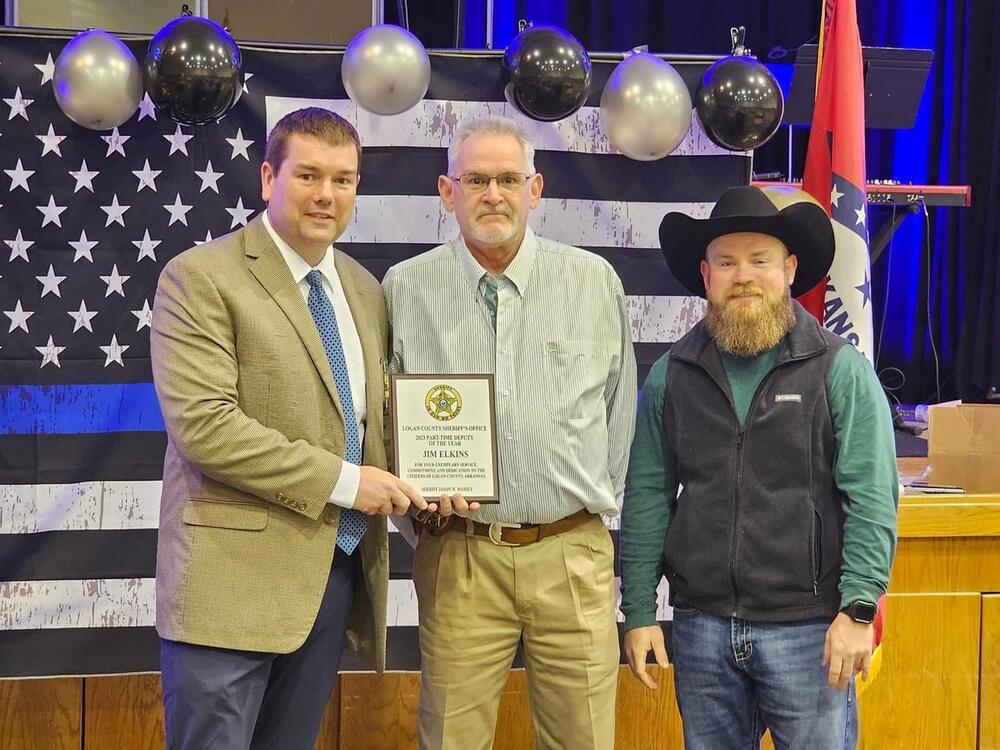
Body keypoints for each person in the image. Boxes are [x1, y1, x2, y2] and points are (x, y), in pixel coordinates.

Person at [150, 107, 428, 750]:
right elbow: (206, 428)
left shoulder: (362, 288)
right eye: (308, 175)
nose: (326, 195)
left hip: (331, 576)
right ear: (268, 178)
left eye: (344, 179)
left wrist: (431, 485)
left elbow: (368, 422)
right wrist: (348, 482)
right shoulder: (200, 277)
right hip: (230, 588)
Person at [382, 115, 637, 750]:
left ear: (535, 188)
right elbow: (385, 420)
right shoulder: (404, 288)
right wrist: (424, 514)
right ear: (447, 191)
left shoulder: (593, 281)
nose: (492, 193)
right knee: (451, 741)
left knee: (584, 740)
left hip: (572, 552)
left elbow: (618, 412)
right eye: (476, 179)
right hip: (461, 552)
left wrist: (585, 512)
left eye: (507, 178)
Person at [620, 185, 899, 749]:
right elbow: (647, 495)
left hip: (812, 632)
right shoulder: (672, 374)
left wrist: (859, 610)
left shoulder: (838, 371)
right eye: (727, 262)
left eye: (759, 260)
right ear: (706, 275)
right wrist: (640, 611)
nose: (742, 275)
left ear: (790, 269)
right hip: (701, 630)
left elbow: (872, 497)